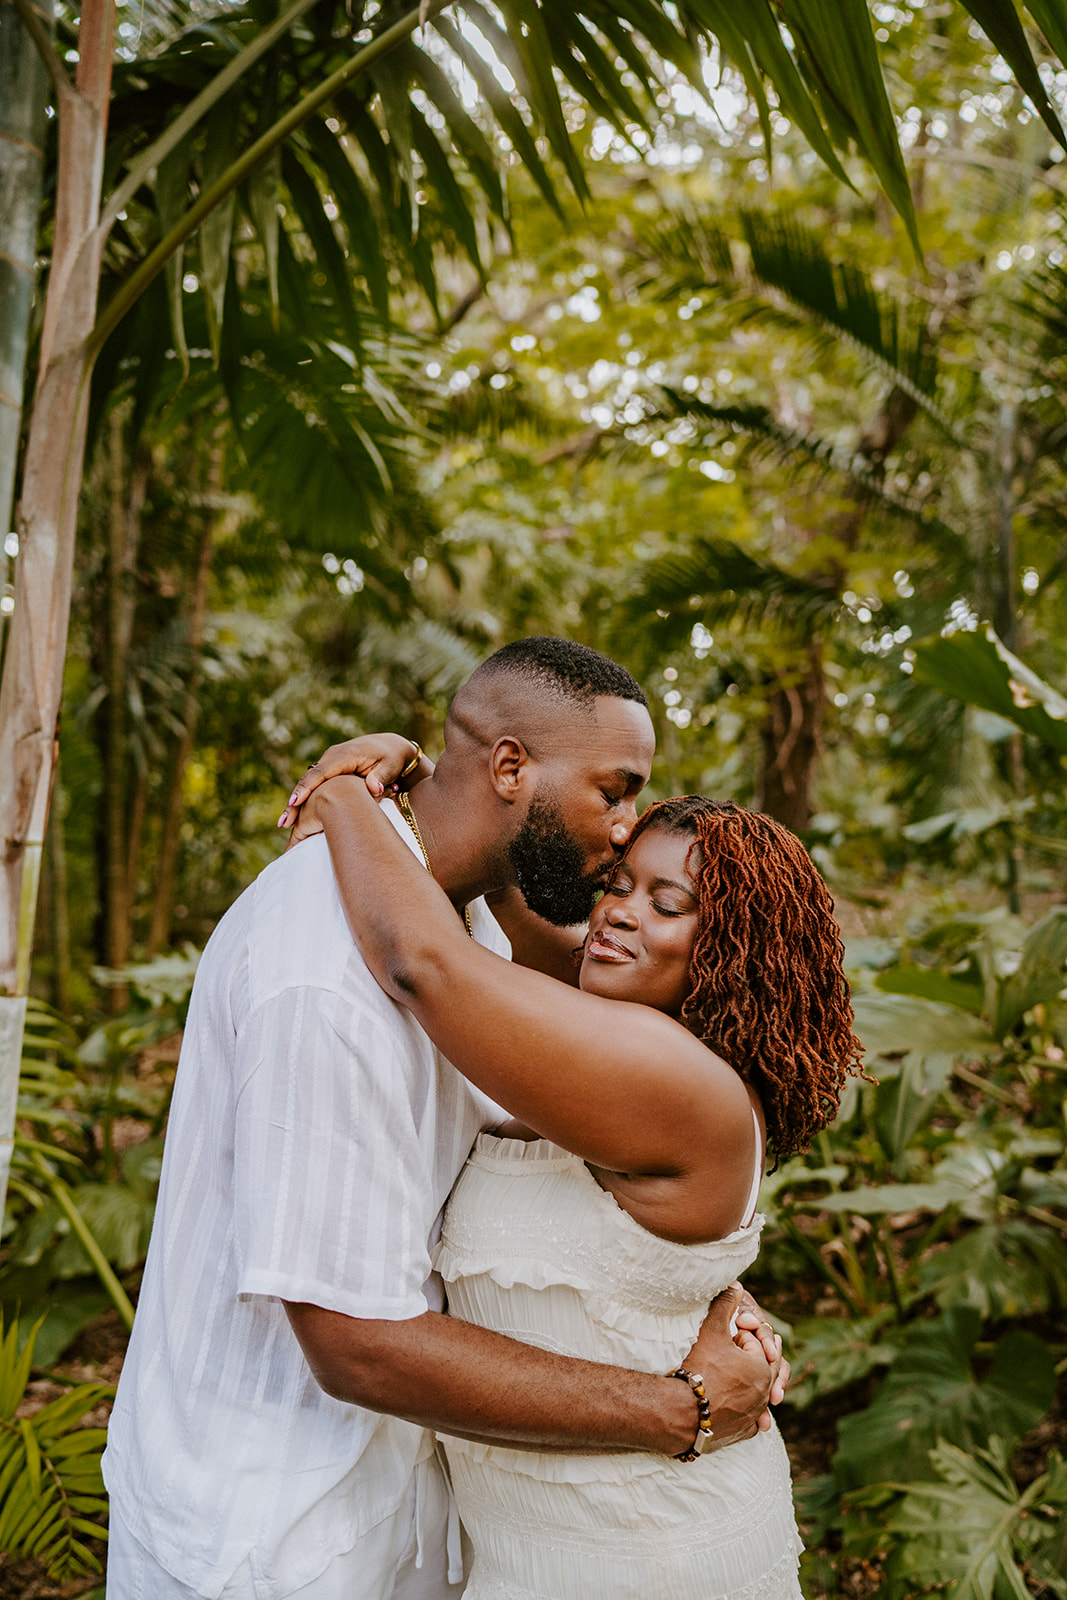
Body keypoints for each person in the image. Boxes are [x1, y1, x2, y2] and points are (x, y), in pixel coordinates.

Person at [102, 638, 785, 1600]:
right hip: (275, 1539)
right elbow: (355, 1339)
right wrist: (675, 1404)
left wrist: (359, 792)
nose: (626, 834)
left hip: (443, 1522)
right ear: (510, 768)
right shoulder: (332, 972)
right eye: (616, 790)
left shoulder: (459, 932)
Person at [287, 771, 866, 1599]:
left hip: (650, 1550)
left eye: (670, 905)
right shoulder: (606, 1035)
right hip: (547, 1545)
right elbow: (500, 870)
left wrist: (347, 792)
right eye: (619, 886)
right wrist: (416, 771)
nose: (620, 912)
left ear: (736, 950)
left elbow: (424, 964)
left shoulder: (675, 1080)